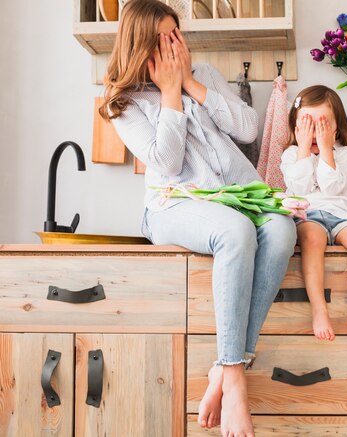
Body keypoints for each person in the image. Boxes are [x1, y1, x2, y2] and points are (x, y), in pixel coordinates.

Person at [99, 1, 296, 435]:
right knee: (235, 232)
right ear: (142, 46)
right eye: (164, 39)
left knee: (282, 228)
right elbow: (167, 163)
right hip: (174, 205)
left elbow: (248, 129)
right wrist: (170, 94)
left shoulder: (203, 74)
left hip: (240, 196)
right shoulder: (124, 103)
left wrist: (188, 82)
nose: (176, 45)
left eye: (178, 34)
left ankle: (223, 371)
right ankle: (234, 376)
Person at [280, 85, 347, 341]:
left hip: (342, 215)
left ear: (335, 128)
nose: (314, 134)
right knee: (312, 239)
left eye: (321, 125)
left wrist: (326, 149)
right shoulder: (290, 155)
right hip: (308, 215)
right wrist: (302, 151)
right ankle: (319, 309)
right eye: (307, 125)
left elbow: (332, 187)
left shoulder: (343, 154)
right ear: (296, 127)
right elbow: (299, 188)